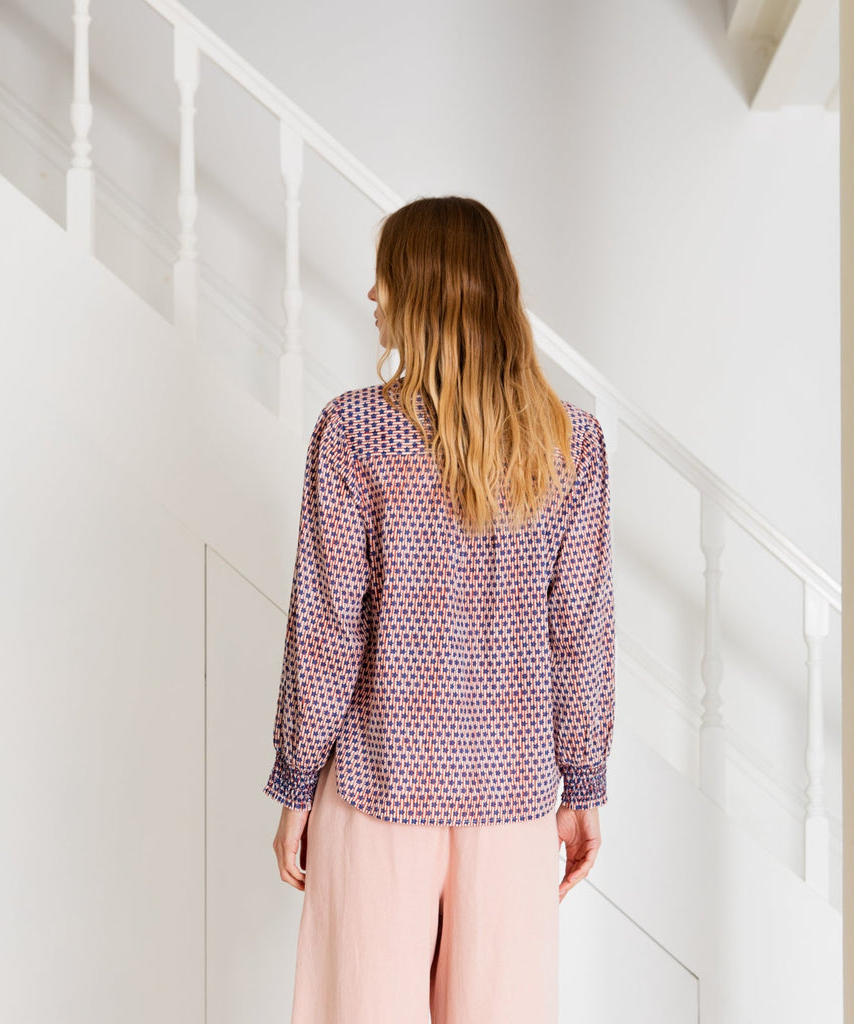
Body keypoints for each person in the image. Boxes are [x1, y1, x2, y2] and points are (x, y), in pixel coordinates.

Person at [263, 196, 615, 1023]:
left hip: (378, 788)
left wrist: (293, 783)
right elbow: (582, 636)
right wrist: (584, 784)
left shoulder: (353, 431)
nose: (373, 292)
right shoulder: (573, 444)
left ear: (422, 287)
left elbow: (326, 628)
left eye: (385, 272)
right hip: (514, 797)